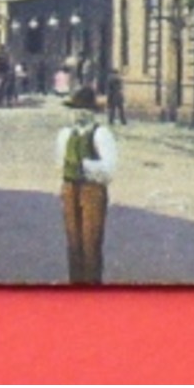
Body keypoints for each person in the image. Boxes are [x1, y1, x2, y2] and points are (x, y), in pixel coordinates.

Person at [55, 86, 117, 285]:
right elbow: (59, 161)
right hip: (70, 188)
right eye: (75, 110)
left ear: (92, 113)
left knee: (90, 243)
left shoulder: (101, 134)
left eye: (83, 110)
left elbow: (110, 168)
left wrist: (86, 166)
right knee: (73, 243)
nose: (78, 115)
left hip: (92, 189)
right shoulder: (65, 134)